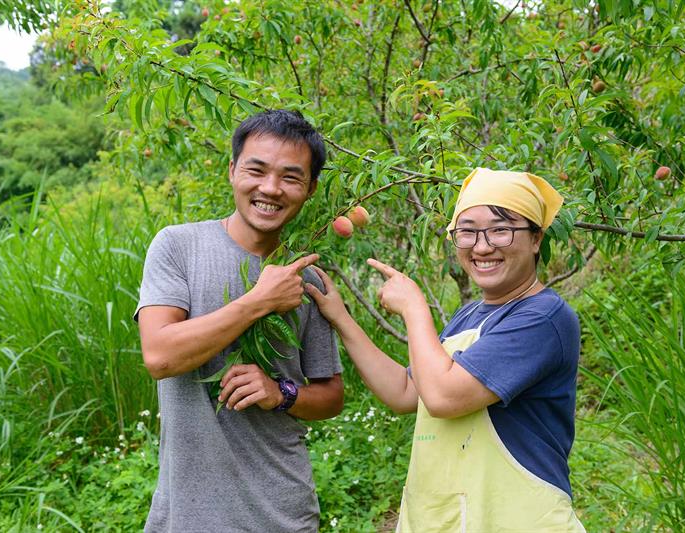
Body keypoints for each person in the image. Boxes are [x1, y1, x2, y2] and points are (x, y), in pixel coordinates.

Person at [305, 168, 586, 532]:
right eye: (467, 231)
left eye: (501, 229)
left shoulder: (543, 318)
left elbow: (441, 396)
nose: (482, 246)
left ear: (536, 238)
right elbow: (408, 392)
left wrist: (413, 307)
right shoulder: (469, 313)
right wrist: (342, 319)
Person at [135, 109, 344, 532]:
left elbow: (332, 396)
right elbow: (160, 356)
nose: (270, 188)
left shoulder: (307, 277)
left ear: (310, 189)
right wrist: (259, 301)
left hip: (284, 514)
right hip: (189, 517)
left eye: (290, 177)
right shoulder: (177, 246)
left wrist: (279, 393)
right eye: (256, 170)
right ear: (232, 171)